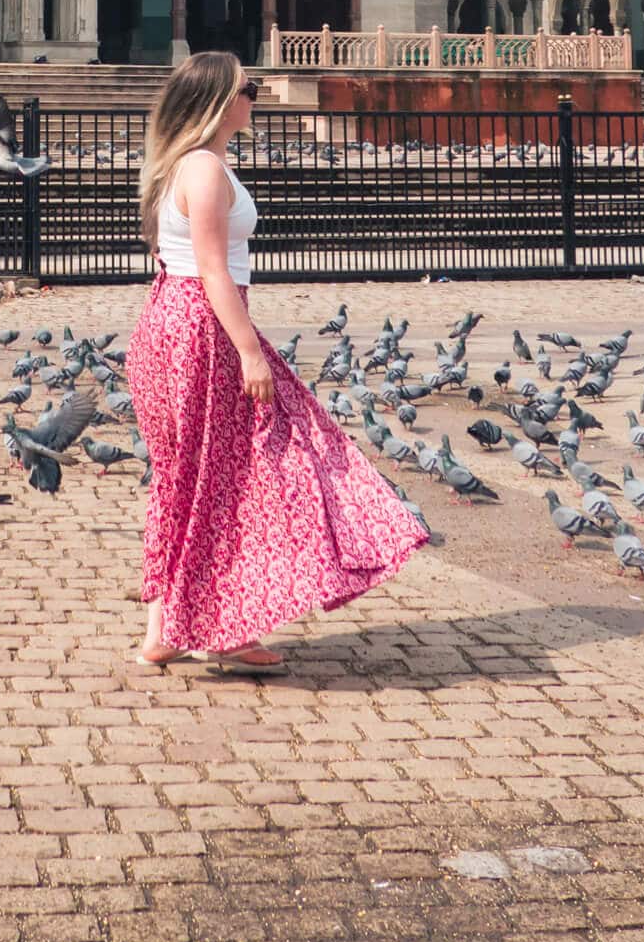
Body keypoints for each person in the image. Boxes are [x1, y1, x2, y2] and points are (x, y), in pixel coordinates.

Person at [124, 51, 428, 675]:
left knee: (188, 477)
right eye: (247, 88)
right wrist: (249, 350)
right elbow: (210, 270)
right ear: (218, 99)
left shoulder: (189, 164)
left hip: (174, 323)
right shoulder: (204, 168)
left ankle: (165, 629)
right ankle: (224, 628)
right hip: (204, 327)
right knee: (239, 474)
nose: (255, 97)